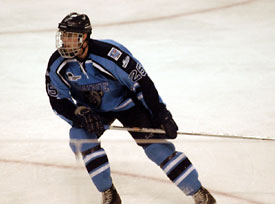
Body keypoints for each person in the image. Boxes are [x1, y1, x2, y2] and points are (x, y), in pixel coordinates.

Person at [45, 12, 216, 204]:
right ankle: (109, 193)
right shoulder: (57, 64)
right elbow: (58, 100)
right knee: (80, 138)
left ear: (84, 37)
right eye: (63, 36)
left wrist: (161, 114)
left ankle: (199, 193)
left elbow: (142, 83)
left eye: (71, 36)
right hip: (93, 110)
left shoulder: (110, 55)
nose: (65, 41)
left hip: (127, 105)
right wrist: (79, 116)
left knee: (156, 149)